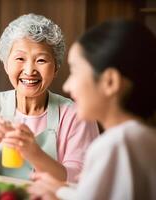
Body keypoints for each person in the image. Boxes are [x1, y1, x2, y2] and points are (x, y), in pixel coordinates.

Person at [28, 20, 156, 200]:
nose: (67, 86)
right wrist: (62, 191)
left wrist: (57, 195)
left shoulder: (114, 144)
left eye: (74, 72)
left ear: (109, 82)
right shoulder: (147, 139)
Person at [0, 13, 99, 182]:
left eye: (41, 60)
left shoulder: (74, 114)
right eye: (20, 58)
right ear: (6, 64)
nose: (29, 71)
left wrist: (34, 153)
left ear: (56, 67)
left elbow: (80, 179)